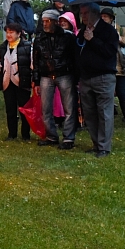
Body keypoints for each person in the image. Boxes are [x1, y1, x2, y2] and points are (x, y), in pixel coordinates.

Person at [31, 10, 79, 148]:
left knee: (69, 107)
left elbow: (75, 58)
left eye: (47, 21)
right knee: (46, 108)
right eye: (43, 21)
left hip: (65, 74)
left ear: (54, 22)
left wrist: (76, 77)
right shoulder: (39, 38)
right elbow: (36, 60)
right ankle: (51, 136)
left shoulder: (68, 37)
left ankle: (68, 138)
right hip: (46, 75)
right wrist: (36, 80)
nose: (44, 24)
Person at [77, 3, 119, 157]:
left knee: (104, 113)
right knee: (89, 113)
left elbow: (109, 52)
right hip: (86, 77)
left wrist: (93, 39)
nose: (84, 16)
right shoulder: (82, 31)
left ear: (95, 13)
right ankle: (96, 144)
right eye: (82, 13)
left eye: (86, 13)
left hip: (103, 77)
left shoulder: (108, 31)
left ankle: (104, 147)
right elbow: (78, 51)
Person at [100, 8, 125, 131]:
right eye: (102, 16)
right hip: (104, 68)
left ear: (111, 18)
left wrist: (120, 38)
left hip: (119, 68)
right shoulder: (98, 30)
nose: (103, 18)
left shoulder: (121, 30)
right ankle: (105, 120)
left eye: (106, 16)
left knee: (122, 94)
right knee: (105, 95)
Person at [0, 23, 33, 141]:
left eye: (11, 32)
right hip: (7, 82)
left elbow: (32, 64)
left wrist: (33, 80)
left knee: (24, 109)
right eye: (7, 32)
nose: (9, 35)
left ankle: (25, 134)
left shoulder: (27, 47)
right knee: (10, 109)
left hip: (22, 82)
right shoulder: (2, 47)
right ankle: (12, 134)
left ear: (19, 33)